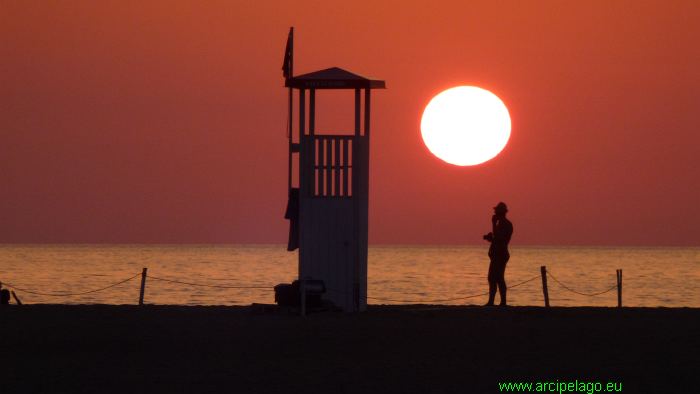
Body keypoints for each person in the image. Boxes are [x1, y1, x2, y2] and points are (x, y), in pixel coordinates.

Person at [483, 202, 513, 306]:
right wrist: (491, 238)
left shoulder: (505, 224)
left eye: (496, 211)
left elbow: (500, 239)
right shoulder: (500, 224)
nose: (494, 212)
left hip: (500, 254)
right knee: (493, 277)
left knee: (498, 277)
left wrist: (493, 225)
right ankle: (493, 301)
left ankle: (501, 302)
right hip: (497, 254)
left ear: (501, 212)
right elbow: (497, 238)